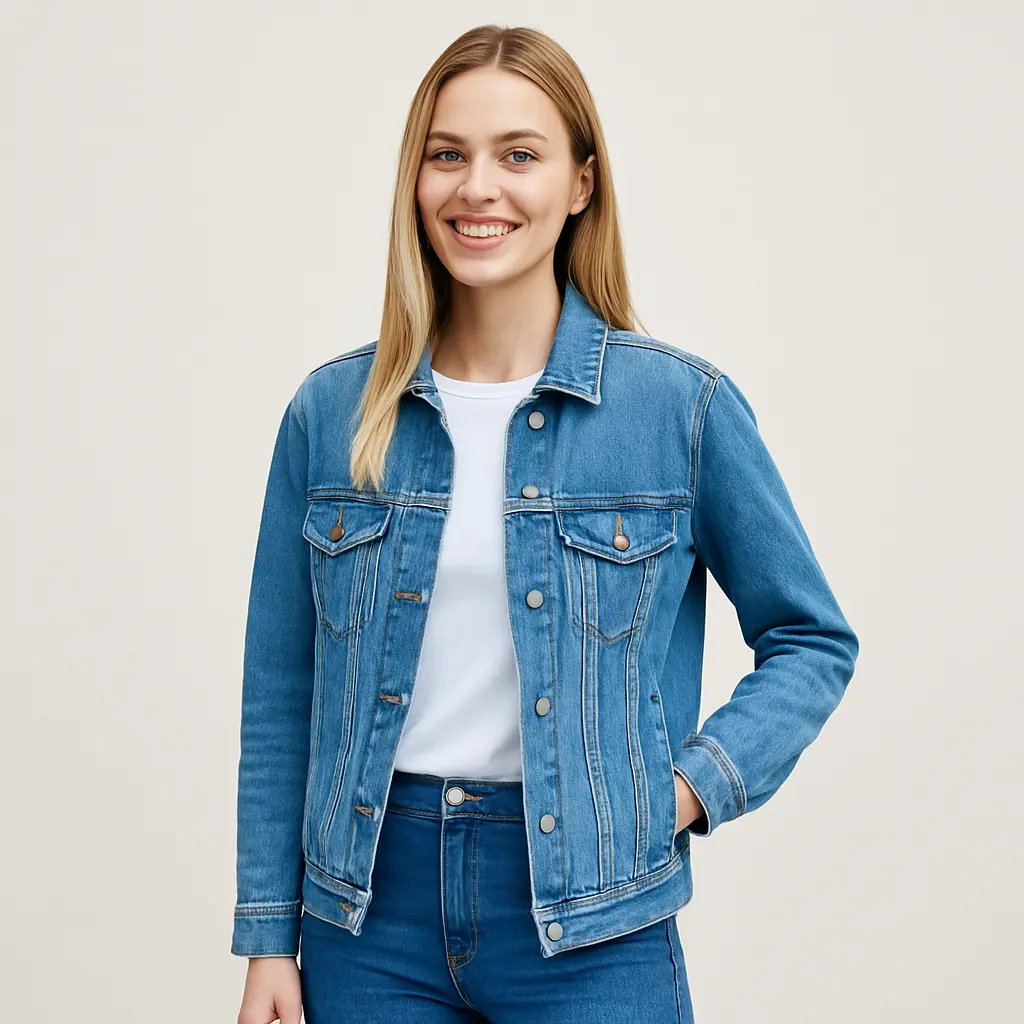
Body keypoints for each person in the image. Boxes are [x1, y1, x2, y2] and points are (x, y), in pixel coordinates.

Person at [232, 23, 859, 1024]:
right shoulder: (332, 413)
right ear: (415, 179)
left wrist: (688, 787)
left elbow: (812, 638)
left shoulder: (676, 408)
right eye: (448, 155)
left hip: (595, 916)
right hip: (365, 918)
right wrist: (268, 936)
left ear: (579, 184)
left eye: (517, 154)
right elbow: (282, 689)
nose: (478, 187)